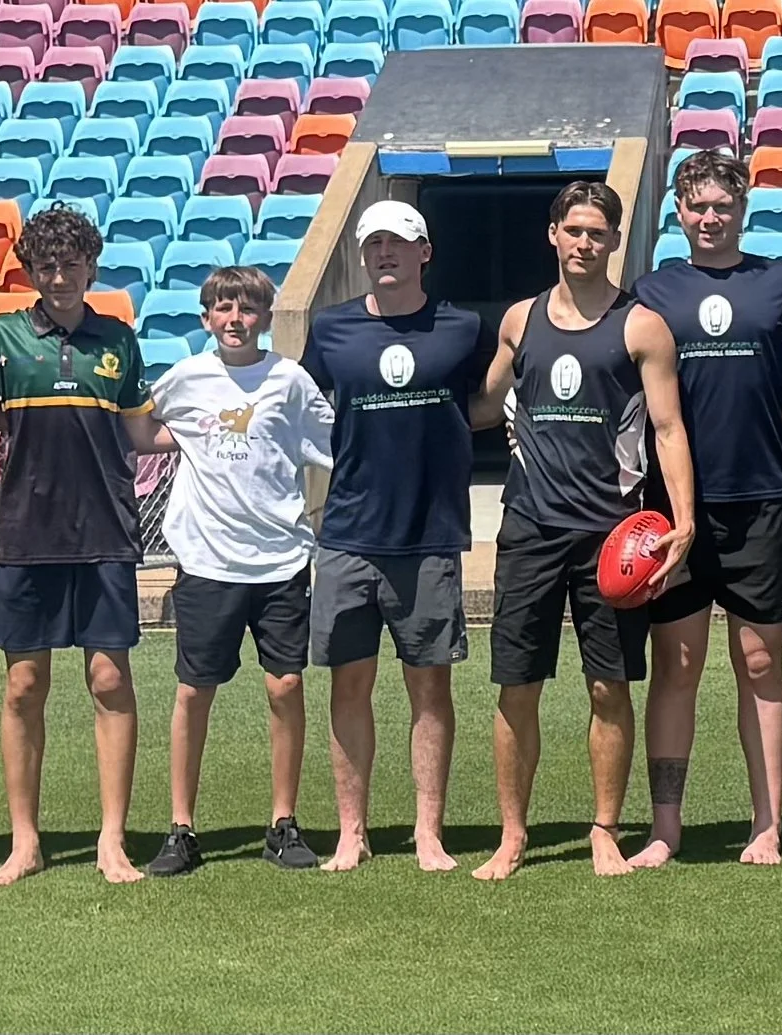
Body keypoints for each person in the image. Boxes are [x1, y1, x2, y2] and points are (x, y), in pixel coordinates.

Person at [468, 181, 695, 881]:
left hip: (613, 538)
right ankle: (513, 835)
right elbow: (483, 405)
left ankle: (604, 829)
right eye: (574, 230)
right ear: (553, 234)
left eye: (598, 232)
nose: (585, 243)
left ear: (615, 240)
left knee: (608, 687)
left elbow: (668, 428)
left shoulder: (642, 326)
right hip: (530, 528)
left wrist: (684, 521)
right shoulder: (520, 320)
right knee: (517, 686)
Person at [0, 203, 171, 886]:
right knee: (24, 685)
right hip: (26, 532)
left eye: (70, 264)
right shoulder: (2, 336)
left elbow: (144, 432)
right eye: (45, 265)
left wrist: (225, 431)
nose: (58, 277)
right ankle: (25, 841)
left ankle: (112, 839)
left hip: (106, 530)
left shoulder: (119, 339)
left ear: (91, 267)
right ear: (28, 270)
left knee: (109, 679)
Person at [628, 151, 782, 868]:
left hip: (760, 501)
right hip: (674, 510)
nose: (710, 218)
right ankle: (665, 827)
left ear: (742, 209)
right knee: (677, 664)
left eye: (722, 206)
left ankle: (767, 823)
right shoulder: (652, 290)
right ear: (679, 212)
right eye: (698, 206)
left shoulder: (781, 281)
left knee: (760, 661)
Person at [300, 199, 496, 872]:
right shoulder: (331, 329)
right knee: (348, 687)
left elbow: (491, 399)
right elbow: (302, 408)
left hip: (429, 535)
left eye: (398, 242)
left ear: (424, 252)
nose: (384, 253)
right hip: (348, 535)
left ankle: (428, 832)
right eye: (373, 244)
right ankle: (351, 832)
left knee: (430, 691)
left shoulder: (463, 327)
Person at [142, 267, 334, 877]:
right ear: (206, 319)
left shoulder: (290, 380)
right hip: (207, 560)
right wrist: (181, 439)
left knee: (286, 687)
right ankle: (181, 828)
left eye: (247, 309)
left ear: (265, 318)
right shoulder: (186, 377)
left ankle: (283, 822)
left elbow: (334, 443)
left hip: (281, 558)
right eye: (223, 309)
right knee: (194, 691)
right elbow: (140, 427)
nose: (235, 320)